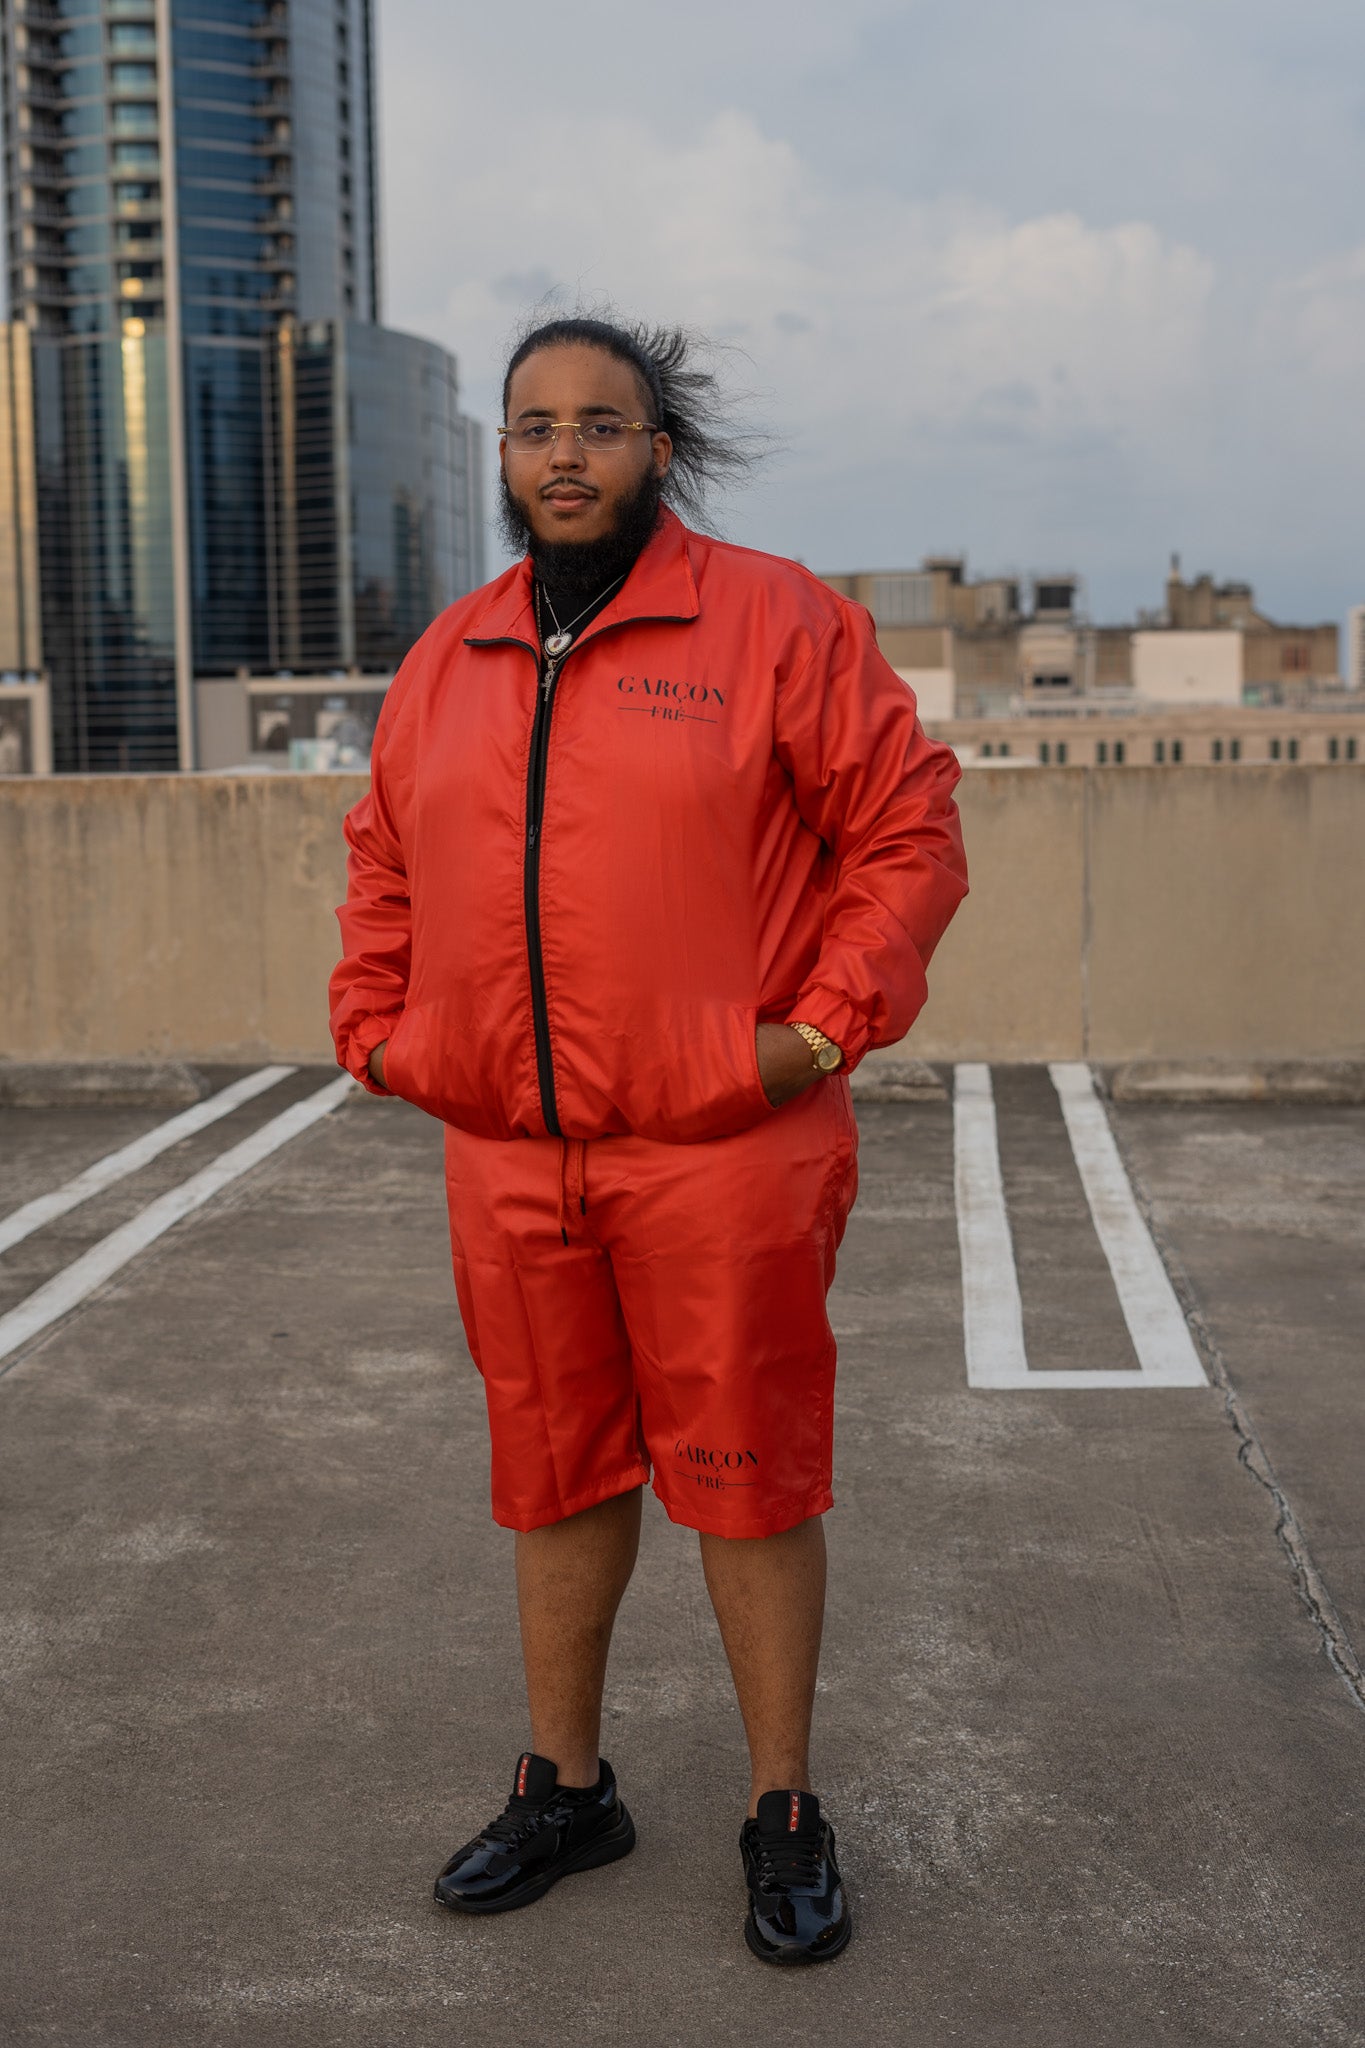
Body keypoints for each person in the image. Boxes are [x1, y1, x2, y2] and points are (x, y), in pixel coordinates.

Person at [329, 315, 968, 1964]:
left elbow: (905, 832)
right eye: (533, 426)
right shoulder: (449, 654)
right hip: (511, 1151)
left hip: (720, 1143)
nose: (562, 453)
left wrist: (816, 1031)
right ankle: (567, 1786)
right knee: (552, 1469)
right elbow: (384, 861)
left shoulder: (774, 622)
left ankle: (780, 1809)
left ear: (654, 450)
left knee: (744, 1478)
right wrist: (383, 1026)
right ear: (503, 457)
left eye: (598, 425)